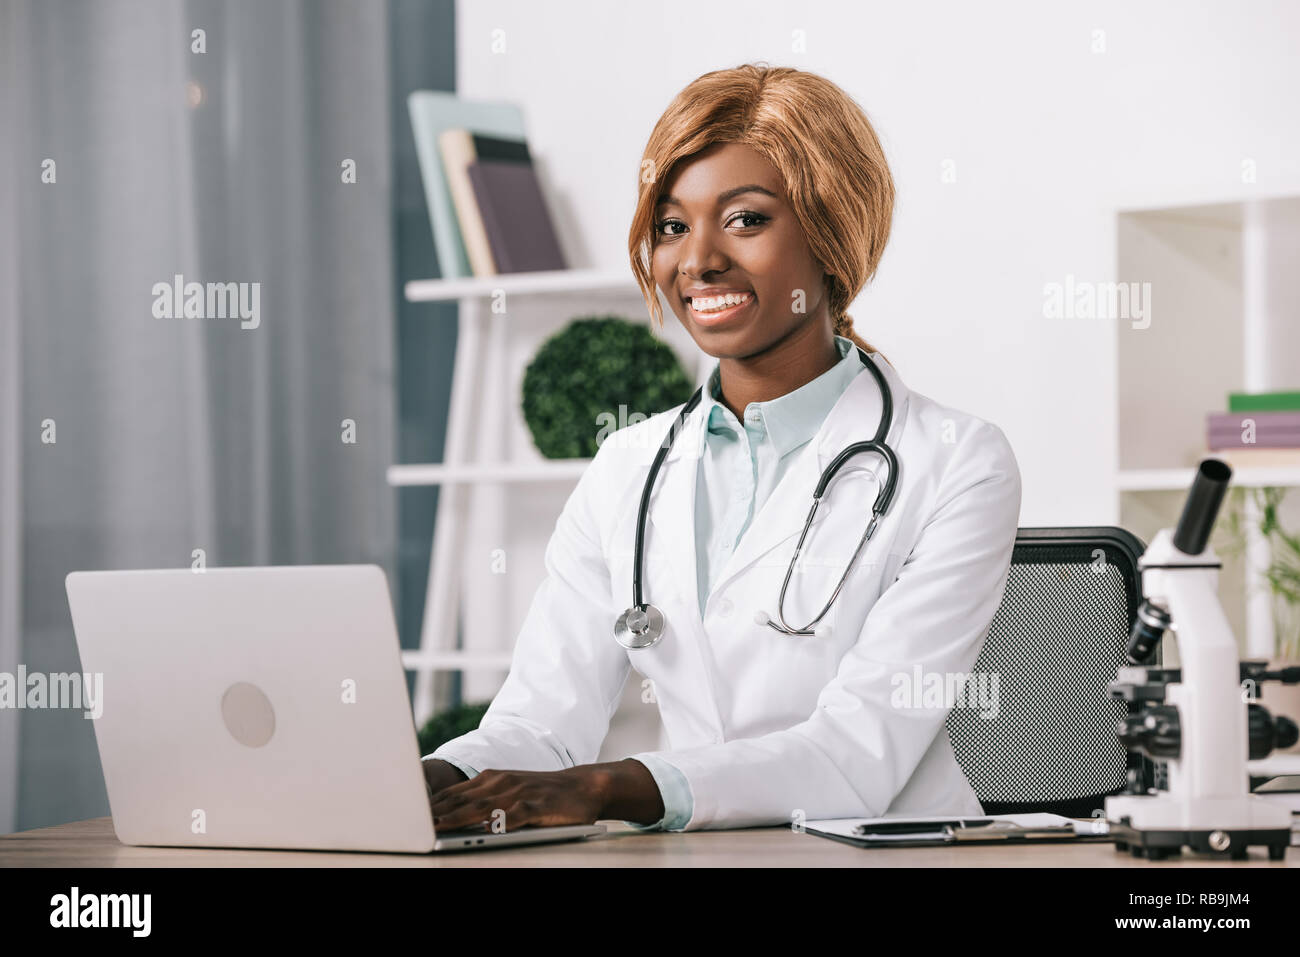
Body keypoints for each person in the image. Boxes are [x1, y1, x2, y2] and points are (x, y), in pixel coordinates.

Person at [422, 63, 1021, 832]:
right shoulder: (627, 469)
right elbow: (540, 724)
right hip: (709, 851)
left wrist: (609, 787)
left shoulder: (957, 460)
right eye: (672, 226)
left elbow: (854, 753)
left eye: (744, 219)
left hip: (894, 854)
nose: (698, 259)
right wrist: (422, 777)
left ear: (832, 233)